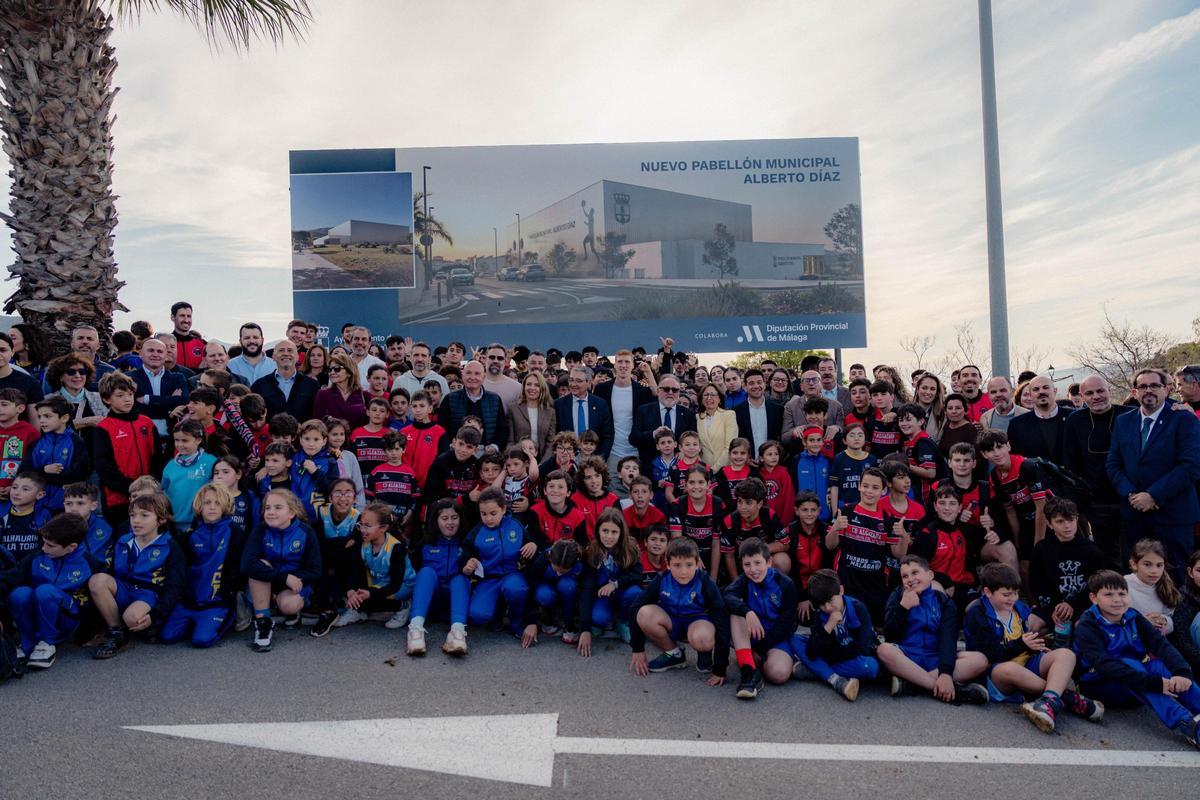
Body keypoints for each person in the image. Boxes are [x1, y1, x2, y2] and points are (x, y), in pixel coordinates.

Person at [964, 562, 1103, 732]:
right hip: (996, 674)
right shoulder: (976, 613)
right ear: (987, 592)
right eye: (1006, 594)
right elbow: (989, 655)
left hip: (1027, 663)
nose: (1013, 598)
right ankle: (1065, 697)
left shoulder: (1019, 608)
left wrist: (1037, 647)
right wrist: (1023, 644)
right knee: (1010, 669)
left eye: (1016, 593)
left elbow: (1025, 639)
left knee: (1066, 654)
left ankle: (1049, 701)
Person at [1074, 570, 1200, 748]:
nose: (1117, 599)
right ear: (1094, 598)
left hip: (1139, 681)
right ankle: (1189, 726)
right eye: (1108, 594)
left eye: (1122, 594)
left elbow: (1162, 645)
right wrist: (1155, 683)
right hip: (1100, 684)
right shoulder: (1087, 624)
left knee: (1159, 665)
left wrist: (1183, 673)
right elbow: (1104, 664)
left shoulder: (1133, 616)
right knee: (1131, 663)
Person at [1106, 367, 1200, 576]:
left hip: (1173, 515)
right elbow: (1113, 464)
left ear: (1167, 389)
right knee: (1136, 579)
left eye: (1155, 385)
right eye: (1143, 386)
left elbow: (1191, 466)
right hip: (1134, 515)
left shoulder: (1184, 419)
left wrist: (1153, 495)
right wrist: (1131, 494)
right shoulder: (1124, 421)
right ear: (1134, 392)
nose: (1149, 390)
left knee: (1177, 579)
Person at [876, 555, 990, 704]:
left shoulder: (944, 602)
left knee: (980, 660)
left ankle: (911, 684)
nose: (910, 579)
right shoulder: (898, 595)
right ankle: (950, 691)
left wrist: (945, 672)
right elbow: (890, 636)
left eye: (915, 572)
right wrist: (903, 607)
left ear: (930, 575)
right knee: (884, 650)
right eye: (905, 576)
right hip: (908, 656)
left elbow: (948, 639)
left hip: (935, 658)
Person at [87, 493, 185, 658]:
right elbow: (109, 570)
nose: (136, 520)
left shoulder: (170, 547)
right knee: (97, 580)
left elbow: (175, 586)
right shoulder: (123, 541)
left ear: (161, 520)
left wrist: (155, 615)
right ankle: (116, 632)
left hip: (148, 594)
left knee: (132, 618)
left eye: (144, 515)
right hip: (124, 589)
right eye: (133, 515)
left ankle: (148, 625)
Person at [0, 512, 98, 669]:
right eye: (44, 543)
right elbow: (10, 578)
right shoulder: (37, 556)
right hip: (37, 614)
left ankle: (46, 643)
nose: (44, 548)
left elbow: (100, 596)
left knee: (46, 591)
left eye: (50, 545)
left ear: (71, 547)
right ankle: (27, 644)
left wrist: (92, 632)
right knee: (20, 593)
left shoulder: (89, 563)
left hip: (66, 620)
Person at [628, 536, 729, 684]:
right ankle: (674, 653)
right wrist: (637, 649)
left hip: (697, 621)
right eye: (677, 565)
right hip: (672, 621)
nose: (683, 571)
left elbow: (721, 617)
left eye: (689, 565)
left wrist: (721, 667)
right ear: (667, 564)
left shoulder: (705, 581)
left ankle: (704, 653)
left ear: (697, 564)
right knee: (643, 613)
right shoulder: (662, 579)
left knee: (703, 638)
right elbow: (635, 607)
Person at [160, 483, 244, 648]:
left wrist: (230, 592)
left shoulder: (234, 532)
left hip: (217, 601)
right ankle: (196, 621)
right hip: (190, 601)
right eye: (207, 503)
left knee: (201, 640)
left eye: (217, 503)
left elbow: (237, 568)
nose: (212, 507)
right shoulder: (189, 535)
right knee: (167, 636)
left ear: (225, 506)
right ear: (199, 505)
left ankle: (226, 616)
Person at [1061, 375, 1132, 562]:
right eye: (1089, 393)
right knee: (1106, 555)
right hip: (1096, 501)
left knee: (1133, 552)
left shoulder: (1130, 415)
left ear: (1109, 391)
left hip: (1130, 498)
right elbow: (1070, 462)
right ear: (1082, 397)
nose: (1096, 397)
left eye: (1100, 391)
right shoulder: (1075, 421)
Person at [242, 489, 321, 652]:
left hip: (294, 583)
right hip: (269, 580)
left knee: (289, 605)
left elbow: (314, 571)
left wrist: (291, 579)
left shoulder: (306, 532)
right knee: (259, 564)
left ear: (291, 512)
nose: (271, 512)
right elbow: (247, 565)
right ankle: (263, 623)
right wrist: (283, 577)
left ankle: (289, 609)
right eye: (268, 508)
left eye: (278, 508)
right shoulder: (260, 530)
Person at [723, 537, 799, 698]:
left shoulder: (785, 584)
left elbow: (787, 624)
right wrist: (748, 612)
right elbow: (727, 595)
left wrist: (761, 649)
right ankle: (749, 673)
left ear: (769, 562)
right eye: (747, 565)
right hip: (753, 632)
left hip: (776, 636)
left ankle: (752, 660)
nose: (753, 570)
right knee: (737, 613)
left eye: (758, 563)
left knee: (778, 674)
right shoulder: (744, 580)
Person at [792, 569, 879, 701]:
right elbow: (812, 652)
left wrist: (829, 658)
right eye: (821, 604)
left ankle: (820, 671)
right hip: (835, 655)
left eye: (831, 601)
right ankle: (836, 680)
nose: (827, 608)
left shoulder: (858, 608)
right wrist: (828, 626)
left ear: (841, 591)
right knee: (795, 640)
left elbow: (863, 647)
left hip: (851, 656)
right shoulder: (820, 615)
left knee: (870, 667)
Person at [826, 467, 895, 623]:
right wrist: (835, 529)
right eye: (865, 486)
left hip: (875, 588)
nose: (869, 491)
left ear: (884, 491)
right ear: (859, 486)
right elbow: (830, 545)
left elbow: (899, 554)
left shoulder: (887, 519)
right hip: (847, 585)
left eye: (875, 487)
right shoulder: (846, 511)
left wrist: (903, 536)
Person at [463, 487, 535, 636]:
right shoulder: (477, 531)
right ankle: (498, 611)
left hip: (512, 575)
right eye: (483, 514)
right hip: (489, 579)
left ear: (503, 509)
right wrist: (468, 564)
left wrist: (533, 544)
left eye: (493, 513)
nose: (488, 518)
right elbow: (466, 553)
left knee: (514, 589)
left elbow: (530, 541)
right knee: (478, 615)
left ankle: (517, 621)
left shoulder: (515, 525)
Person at [407, 498, 471, 656]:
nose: (450, 522)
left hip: (456, 604)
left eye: (454, 518)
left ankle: (457, 632)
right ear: (436, 521)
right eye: (444, 518)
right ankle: (415, 629)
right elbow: (412, 572)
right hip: (430, 602)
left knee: (460, 578)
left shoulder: (468, 543)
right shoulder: (425, 543)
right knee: (426, 572)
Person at [340, 503, 415, 630]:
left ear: (384, 527)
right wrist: (351, 591)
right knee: (348, 587)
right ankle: (360, 611)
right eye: (361, 524)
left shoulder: (396, 548)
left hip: (401, 586)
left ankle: (403, 606)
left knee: (371, 598)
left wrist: (370, 593)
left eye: (368, 526)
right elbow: (353, 569)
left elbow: (395, 585)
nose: (363, 529)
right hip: (379, 582)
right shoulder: (364, 542)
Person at [94, 373, 156, 522]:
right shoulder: (103, 428)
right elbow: (104, 467)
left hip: (149, 495)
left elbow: (157, 456)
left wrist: (150, 484)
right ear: (106, 399)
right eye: (120, 395)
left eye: (130, 394)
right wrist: (131, 488)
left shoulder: (146, 423)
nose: (127, 399)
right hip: (117, 500)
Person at [593, 349, 656, 475]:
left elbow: (657, 396)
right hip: (611, 452)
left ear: (633, 365)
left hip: (636, 452)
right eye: (620, 362)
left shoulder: (642, 391)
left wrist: (648, 372)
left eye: (627, 362)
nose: (623, 365)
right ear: (614, 364)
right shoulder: (602, 390)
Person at [438, 361, 507, 451]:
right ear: (462, 375)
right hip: (456, 454)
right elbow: (441, 429)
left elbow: (502, 429)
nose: (472, 377)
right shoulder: (450, 399)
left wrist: (494, 446)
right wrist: (451, 446)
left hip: (486, 456)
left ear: (483, 377)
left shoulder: (495, 399)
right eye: (468, 373)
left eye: (477, 373)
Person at [160, 419, 217, 527]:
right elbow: (162, 492)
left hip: (200, 524)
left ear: (198, 440)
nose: (180, 444)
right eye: (177, 440)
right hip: (172, 524)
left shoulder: (210, 462)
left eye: (185, 440)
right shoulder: (171, 464)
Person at [553, 366, 614, 459]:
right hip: (567, 459)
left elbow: (607, 436)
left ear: (589, 382)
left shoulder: (600, 404)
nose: (573, 384)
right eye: (571, 380)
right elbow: (555, 434)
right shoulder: (559, 405)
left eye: (578, 381)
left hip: (594, 458)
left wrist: (600, 459)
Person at [1007, 375, 1068, 463]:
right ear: (1031, 395)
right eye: (1036, 389)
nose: (1041, 392)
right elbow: (1015, 460)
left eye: (1045, 387)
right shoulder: (1017, 425)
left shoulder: (1073, 418)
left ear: (1055, 391)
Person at [1125, 538, 1179, 636]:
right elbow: (1112, 619)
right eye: (1147, 564)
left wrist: (1164, 621)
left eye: (1159, 565)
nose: (1154, 571)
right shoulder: (1123, 585)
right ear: (1134, 564)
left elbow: (1170, 618)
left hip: (1155, 643)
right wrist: (1142, 622)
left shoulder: (1166, 587)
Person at [44, 352, 106, 430]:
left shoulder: (99, 399)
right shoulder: (47, 401)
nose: (77, 375)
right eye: (71, 372)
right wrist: (82, 422)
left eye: (82, 371)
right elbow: (45, 430)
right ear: (60, 376)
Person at [732, 369, 784, 455]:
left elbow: (780, 439)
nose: (756, 386)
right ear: (744, 386)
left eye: (759, 382)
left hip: (772, 462)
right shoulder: (736, 412)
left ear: (764, 384)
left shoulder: (778, 410)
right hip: (747, 462)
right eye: (751, 383)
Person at [507, 371, 556, 461]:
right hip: (518, 461)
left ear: (542, 388)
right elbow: (510, 441)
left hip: (542, 461)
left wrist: (542, 465)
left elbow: (551, 443)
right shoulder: (513, 409)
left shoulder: (550, 412)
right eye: (529, 384)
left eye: (537, 385)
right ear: (524, 387)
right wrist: (517, 461)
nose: (532, 388)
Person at [312, 352, 368, 429]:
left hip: (358, 439)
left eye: (337, 369)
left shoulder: (364, 395)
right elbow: (317, 423)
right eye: (330, 369)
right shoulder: (323, 394)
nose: (332, 372)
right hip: (331, 439)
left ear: (349, 372)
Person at [695, 383, 737, 469]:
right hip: (703, 470)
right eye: (706, 395)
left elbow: (730, 446)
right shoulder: (697, 418)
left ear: (719, 399)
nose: (709, 398)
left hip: (724, 469)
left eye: (713, 394)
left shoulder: (729, 415)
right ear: (701, 399)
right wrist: (704, 469)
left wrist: (714, 469)